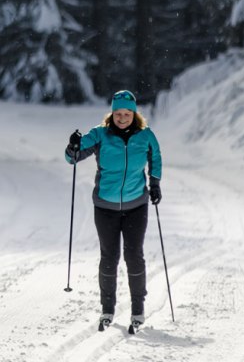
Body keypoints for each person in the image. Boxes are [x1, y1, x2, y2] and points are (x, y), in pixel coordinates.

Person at [65, 90, 163, 332]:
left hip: (136, 206)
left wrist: (155, 182)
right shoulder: (100, 135)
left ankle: (137, 311)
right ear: (112, 114)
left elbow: (157, 158)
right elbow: (73, 158)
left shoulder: (146, 136)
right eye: (118, 113)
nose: (122, 118)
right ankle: (107, 309)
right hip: (105, 207)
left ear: (134, 114)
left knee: (134, 256)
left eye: (127, 114)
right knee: (109, 258)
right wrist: (73, 145)